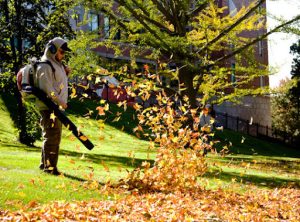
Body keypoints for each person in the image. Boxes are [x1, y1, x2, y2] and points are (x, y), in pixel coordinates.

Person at [35, 37, 71, 175]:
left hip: (56, 107)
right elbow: (47, 89)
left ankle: (44, 164)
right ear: (52, 50)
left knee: (53, 136)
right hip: (49, 106)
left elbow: (58, 85)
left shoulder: (56, 65)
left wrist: (66, 73)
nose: (63, 55)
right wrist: (60, 101)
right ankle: (50, 168)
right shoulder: (45, 65)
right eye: (61, 52)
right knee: (52, 136)